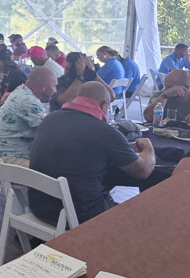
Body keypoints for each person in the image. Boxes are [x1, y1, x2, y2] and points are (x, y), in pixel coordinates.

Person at [29, 82, 169, 225]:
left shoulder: (50, 119)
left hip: (39, 206)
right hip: (79, 215)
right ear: (103, 105)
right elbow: (143, 170)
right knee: (141, 217)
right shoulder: (105, 132)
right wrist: (148, 148)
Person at [0, 67, 57, 167]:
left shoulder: (22, 90)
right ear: (44, 86)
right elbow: (50, 132)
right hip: (4, 161)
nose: (55, 91)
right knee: (57, 169)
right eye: (55, 86)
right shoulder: (29, 101)